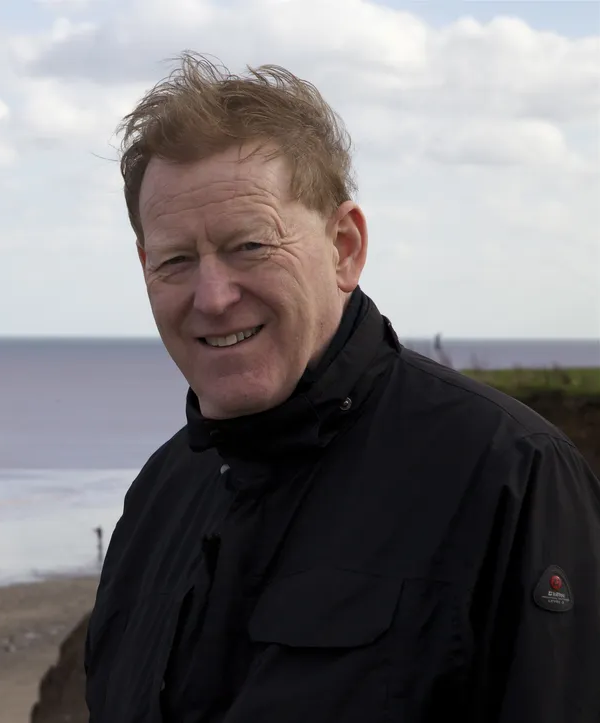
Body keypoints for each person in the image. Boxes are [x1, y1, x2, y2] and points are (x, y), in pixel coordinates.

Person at [84, 52, 600, 723]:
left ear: (345, 245)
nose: (212, 297)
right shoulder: (161, 492)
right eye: (178, 260)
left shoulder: (508, 473)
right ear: (145, 267)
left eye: (250, 246)